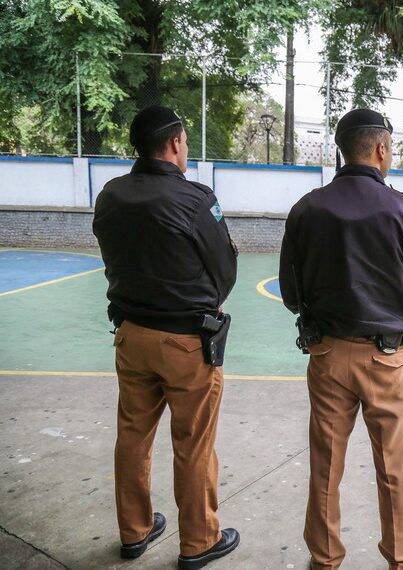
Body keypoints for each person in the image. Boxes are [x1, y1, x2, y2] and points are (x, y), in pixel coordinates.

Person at [279, 108, 403, 570]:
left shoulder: (307, 208)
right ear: (380, 149)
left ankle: (325, 557)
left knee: (325, 465)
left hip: (327, 353)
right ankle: (401, 555)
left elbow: (291, 290)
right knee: (393, 466)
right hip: (386, 358)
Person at [92, 106, 240, 569]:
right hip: (184, 342)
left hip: (131, 335)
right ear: (175, 143)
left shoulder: (110, 195)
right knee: (193, 441)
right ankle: (198, 540)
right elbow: (226, 267)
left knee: (132, 435)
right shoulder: (195, 199)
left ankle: (134, 531)